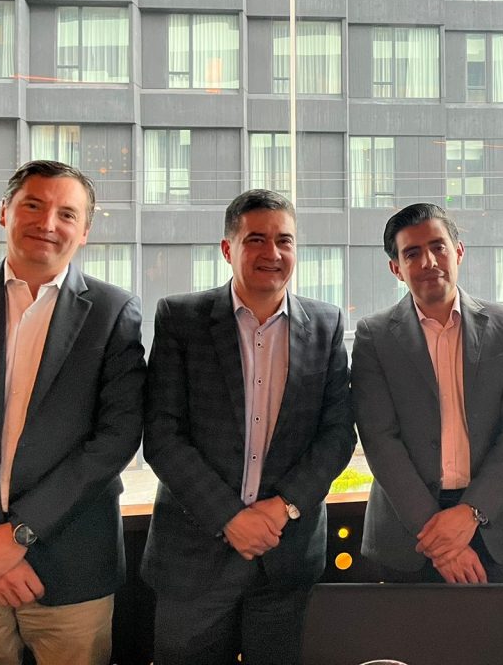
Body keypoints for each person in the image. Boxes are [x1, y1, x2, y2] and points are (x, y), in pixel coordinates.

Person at [0, 160, 146, 665]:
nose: (48, 223)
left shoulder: (113, 312)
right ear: (4, 212)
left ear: (85, 231)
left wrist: (20, 534)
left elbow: (116, 438)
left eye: (67, 213)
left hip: (72, 566)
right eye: (33, 205)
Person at [141, 190, 355, 665]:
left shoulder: (326, 324)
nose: (272, 252)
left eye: (284, 240)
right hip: (193, 561)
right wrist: (230, 518)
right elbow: (162, 433)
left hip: (286, 559)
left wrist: (283, 507)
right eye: (256, 239)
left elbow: (338, 433)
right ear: (228, 248)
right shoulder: (181, 318)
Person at [351, 203, 503, 585]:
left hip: (492, 525)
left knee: (498, 627)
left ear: (459, 251)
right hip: (408, 536)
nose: (429, 261)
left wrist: (471, 511)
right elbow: (379, 438)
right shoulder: (375, 336)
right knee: (408, 629)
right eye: (412, 253)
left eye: (438, 247)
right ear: (396, 268)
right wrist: (440, 539)